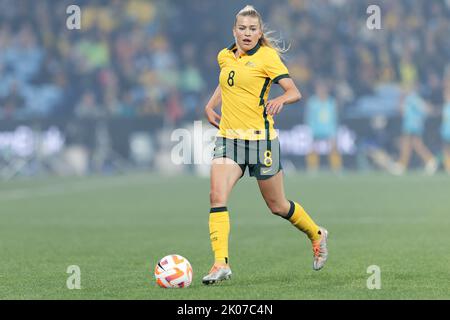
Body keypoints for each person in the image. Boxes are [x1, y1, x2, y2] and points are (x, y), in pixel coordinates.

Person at [202, 5, 328, 285]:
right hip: (229, 139)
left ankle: (316, 234)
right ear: (234, 31)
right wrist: (210, 105)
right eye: (242, 29)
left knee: (278, 205)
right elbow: (227, 82)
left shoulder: (267, 57)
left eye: (252, 29)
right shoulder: (225, 55)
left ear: (259, 33)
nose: (247, 33)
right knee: (216, 196)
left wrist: (280, 100)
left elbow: (294, 91)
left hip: (261, 142)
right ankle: (220, 263)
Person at [396, 82, 437, 174]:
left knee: (409, 144)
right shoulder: (408, 99)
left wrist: (431, 109)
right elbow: (401, 111)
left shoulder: (412, 98)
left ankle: (429, 160)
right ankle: (403, 163)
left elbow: (424, 109)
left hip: (413, 125)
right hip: (410, 125)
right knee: (412, 144)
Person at [305, 81, 342, 172]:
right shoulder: (312, 102)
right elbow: (309, 117)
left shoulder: (331, 102)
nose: (321, 91)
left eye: (323, 89)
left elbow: (334, 117)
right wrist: (311, 129)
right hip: (316, 129)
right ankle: (312, 168)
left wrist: (333, 129)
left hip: (329, 129)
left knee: (334, 148)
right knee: (312, 148)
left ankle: (336, 169)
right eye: (319, 89)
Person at [441, 87, 450, 174]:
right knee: (445, 150)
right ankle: (447, 166)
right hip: (445, 132)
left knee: (446, 149)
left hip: (447, 132)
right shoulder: (445, 106)